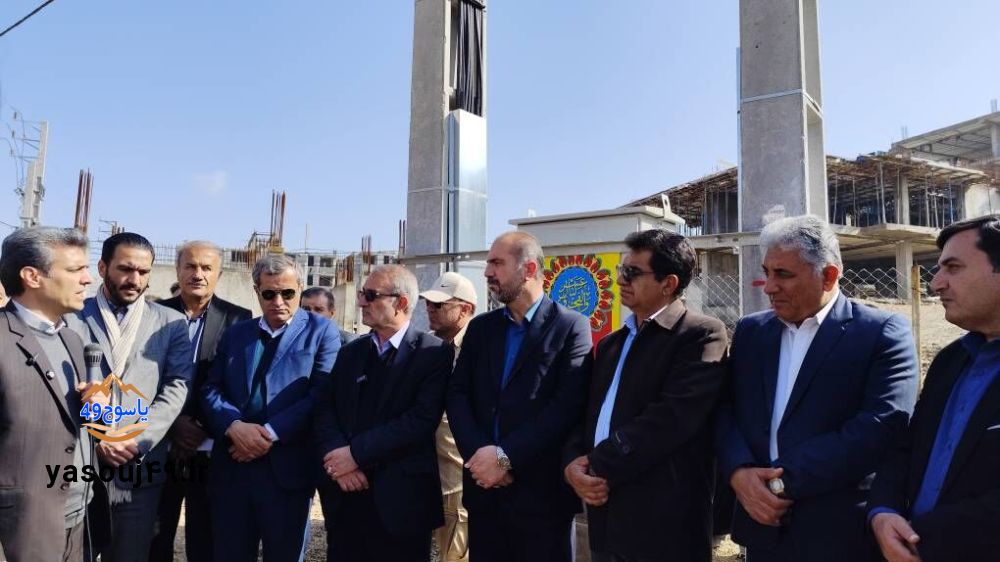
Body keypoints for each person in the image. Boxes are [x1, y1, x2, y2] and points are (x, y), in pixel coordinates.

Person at [717, 214, 918, 561]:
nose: (769, 287)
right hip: (762, 529)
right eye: (767, 272)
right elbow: (725, 409)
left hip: (838, 534)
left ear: (828, 276)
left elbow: (880, 427)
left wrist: (778, 483)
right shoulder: (751, 332)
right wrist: (739, 472)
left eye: (783, 274)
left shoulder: (881, 333)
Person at [564, 230, 729, 562]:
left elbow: (672, 419)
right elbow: (587, 413)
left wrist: (597, 462)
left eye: (633, 272)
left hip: (664, 523)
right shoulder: (611, 344)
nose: (620, 280)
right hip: (605, 513)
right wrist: (572, 464)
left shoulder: (701, 335)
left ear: (668, 283)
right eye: (621, 270)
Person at [447, 231, 593, 562]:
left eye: (497, 263)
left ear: (528, 269)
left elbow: (566, 406)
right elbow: (457, 395)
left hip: (541, 498)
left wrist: (504, 457)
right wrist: (481, 458)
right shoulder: (481, 329)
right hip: (484, 492)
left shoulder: (571, 327)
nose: (487, 272)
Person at [868, 214, 1000, 562]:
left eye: (953, 268)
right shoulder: (950, 361)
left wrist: (921, 537)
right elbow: (907, 447)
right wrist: (882, 511)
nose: (935, 283)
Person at [64, 232, 193, 562]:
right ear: (103, 267)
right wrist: (100, 438)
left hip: (138, 467)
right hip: (79, 465)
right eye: (125, 269)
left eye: (143, 271)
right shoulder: (70, 316)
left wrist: (135, 439)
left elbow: (177, 386)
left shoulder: (171, 323)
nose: (134, 279)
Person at [201, 254, 339, 561]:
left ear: (300, 288)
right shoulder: (237, 333)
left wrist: (267, 434)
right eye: (269, 293)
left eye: (287, 293)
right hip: (234, 468)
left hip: (286, 471)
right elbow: (211, 388)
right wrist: (234, 427)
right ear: (256, 291)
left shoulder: (321, 332)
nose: (278, 301)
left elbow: (320, 394)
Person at [314, 265, 453, 561]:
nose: (361, 302)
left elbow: (420, 420)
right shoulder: (350, 352)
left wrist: (355, 455)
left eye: (370, 295)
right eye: (362, 294)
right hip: (346, 498)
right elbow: (326, 408)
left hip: (401, 502)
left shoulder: (433, 353)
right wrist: (339, 460)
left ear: (400, 302)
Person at [0, 227, 104, 562]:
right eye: (75, 269)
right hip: (20, 525)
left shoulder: (72, 339)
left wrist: (99, 410)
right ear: (32, 276)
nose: (88, 279)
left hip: (77, 514)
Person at [150, 241, 251, 562]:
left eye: (206, 267)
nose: (198, 274)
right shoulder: (152, 314)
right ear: (177, 270)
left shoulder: (238, 319)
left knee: (205, 537)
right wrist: (173, 424)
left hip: (209, 447)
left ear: (218, 273)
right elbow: (143, 377)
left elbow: (234, 383)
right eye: (190, 266)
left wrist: (200, 426)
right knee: (154, 535)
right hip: (159, 442)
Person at [421, 271, 478, 562]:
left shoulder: (479, 349)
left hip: (459, 477)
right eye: (428, 304)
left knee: (456, 554)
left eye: (439, 304)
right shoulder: (428, 348)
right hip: (427, 473)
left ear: (465, 309)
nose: (430, 309)